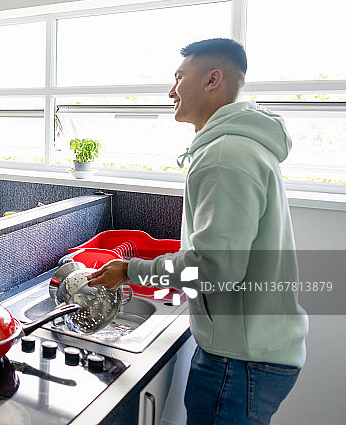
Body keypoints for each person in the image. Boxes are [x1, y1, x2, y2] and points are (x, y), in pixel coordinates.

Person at [88, 38, 308, 424]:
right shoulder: (243, 146)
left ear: (212, 80)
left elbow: (216, 268)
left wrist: (131, 270)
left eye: (179, 78)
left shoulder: (225, 155)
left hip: (238, 361)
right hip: (253, 351)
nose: (171, 91)